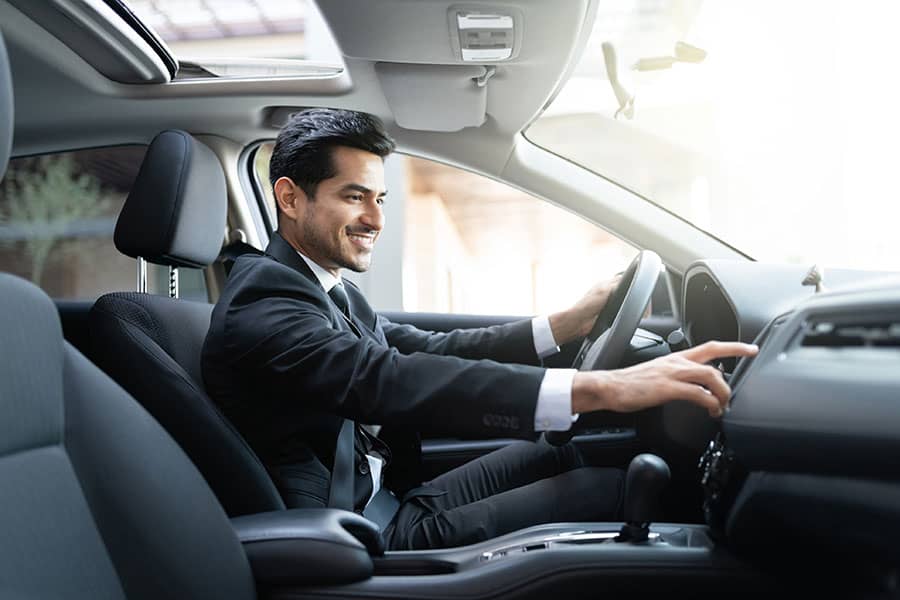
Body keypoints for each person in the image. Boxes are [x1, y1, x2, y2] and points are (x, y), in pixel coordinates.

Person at [201, 108, 757, 550]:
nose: (375, 219)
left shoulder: (320, 286)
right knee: (603, 488)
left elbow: (429, 348)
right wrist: (603, 387)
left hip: (391, 494)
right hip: (364, 530)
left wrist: (566, 323)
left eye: (380, 198)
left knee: (568, 453)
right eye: (354, 197)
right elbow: (389, 380)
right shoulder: (264, 302)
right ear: (290, 198)